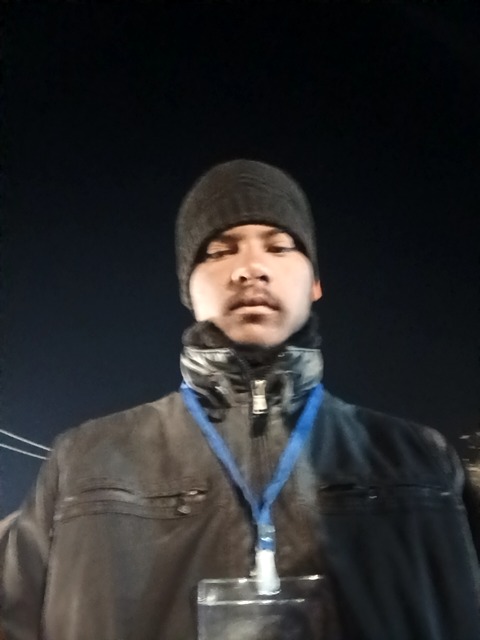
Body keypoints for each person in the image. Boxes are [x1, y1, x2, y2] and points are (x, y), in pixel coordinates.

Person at [0, 159, 479, 639]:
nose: (251, 269)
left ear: (315, 283)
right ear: (188, 289)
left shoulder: (424, 462)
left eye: (279, 246)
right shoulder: (82, 463)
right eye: (219, 251)